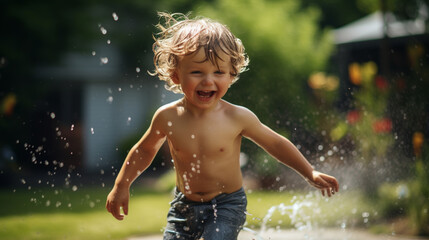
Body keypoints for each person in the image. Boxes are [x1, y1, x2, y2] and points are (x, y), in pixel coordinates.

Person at [106, 12, 339, 240]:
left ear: (231, 75)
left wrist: (309, 172)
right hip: (183, 206)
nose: (208, 80)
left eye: (219, 72)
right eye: (197, 72)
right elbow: (144, 150)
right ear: (176, 76)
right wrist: (121, 185)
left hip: (227, 204)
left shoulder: (237, 117)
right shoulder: (167, 117)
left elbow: (275, 143)